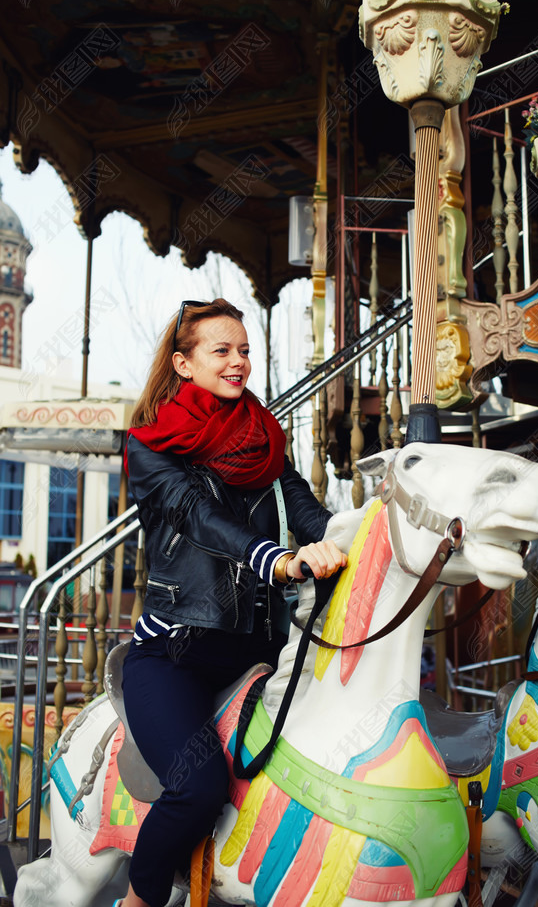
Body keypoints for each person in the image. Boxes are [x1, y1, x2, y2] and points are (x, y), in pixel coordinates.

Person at [117, 298, 347, 907]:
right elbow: (200, 517)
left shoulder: (264, 437)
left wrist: (351, 537)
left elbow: (303, 505)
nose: (239, 361)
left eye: (244, 350)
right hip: (176, 654)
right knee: (198, 786)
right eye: (222, 350)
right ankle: (140, 899)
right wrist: (277, 559)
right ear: (184, 364)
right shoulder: (151, 446)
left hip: (258, 651)